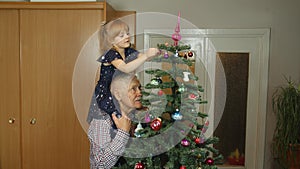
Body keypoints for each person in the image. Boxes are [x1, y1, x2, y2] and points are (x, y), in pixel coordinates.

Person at [87, 19, 159, 124]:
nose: (127, 37)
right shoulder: (111, 54)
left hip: (119, 93)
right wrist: (146, 56)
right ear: (111, 41)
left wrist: (153, 54)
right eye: (121, 36)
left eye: (127, 33)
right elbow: (125, 68)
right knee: (111, 123)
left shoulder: (129, 51)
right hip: (107, 95)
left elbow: (143, 57)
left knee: (124, 123)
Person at [88, 72, 143, 169]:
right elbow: (100, 165)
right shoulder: (103, 121)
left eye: (140, 88)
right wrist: (123, 133)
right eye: (133, 89)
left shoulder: (140, 118)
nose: (140, 93)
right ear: (118, 95)